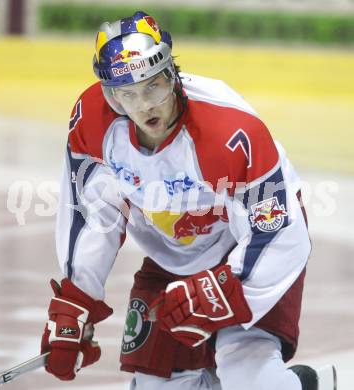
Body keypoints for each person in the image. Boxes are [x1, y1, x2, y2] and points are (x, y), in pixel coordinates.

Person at [40, 11, 336, 390]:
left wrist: (224, 291)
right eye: (126, 94)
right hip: (171, 260)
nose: (145, 106)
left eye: (153, 87)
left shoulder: (230, 132)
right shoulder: (93, 124)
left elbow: (279, 233)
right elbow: (95, 215)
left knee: (248, 375)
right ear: (110, 95)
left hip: (244, 255)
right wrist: (77, 299)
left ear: (171, 72)